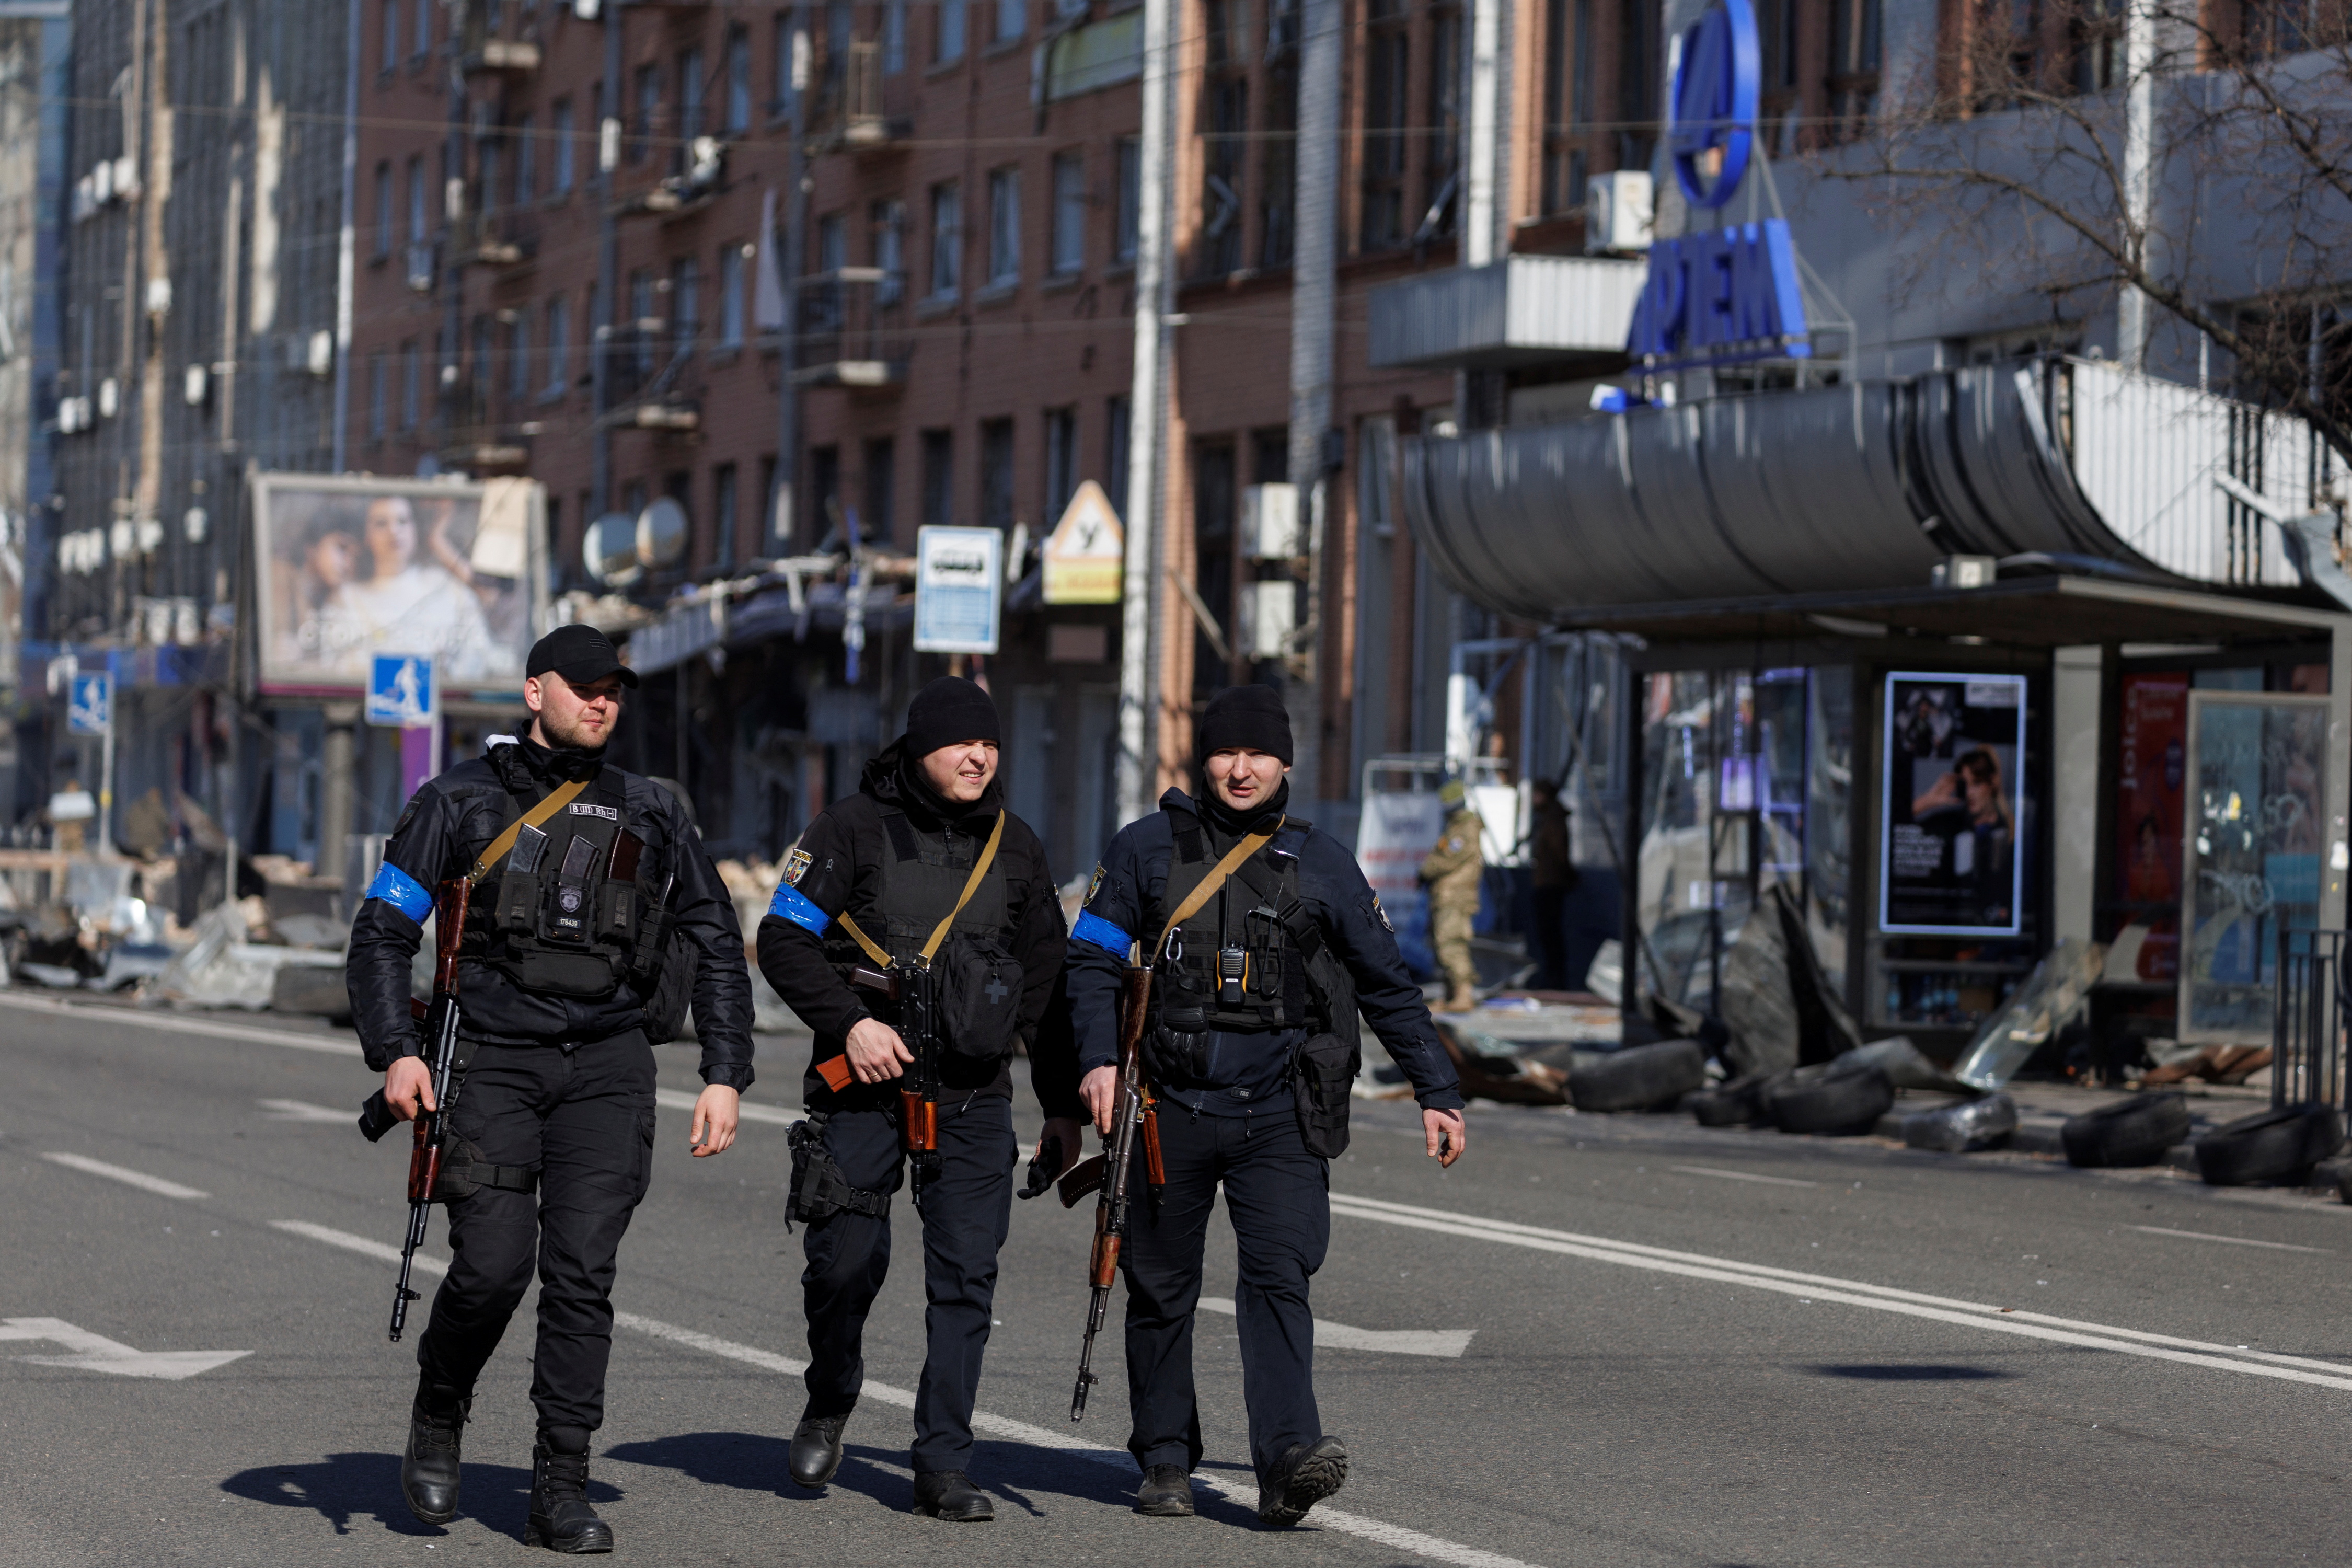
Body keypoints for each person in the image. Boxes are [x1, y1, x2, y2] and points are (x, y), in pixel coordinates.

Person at [346, 624, 755, 1553]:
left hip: (609, 1069)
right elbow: (382, 934)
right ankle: (441, 1405)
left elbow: (716, 938)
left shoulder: (654, 810)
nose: (602, 702)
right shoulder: (456, 801)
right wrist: (396, 1052)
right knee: (493, 1267)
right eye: (583, 687)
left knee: (582, 1279)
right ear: (537, 693)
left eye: (614, 688)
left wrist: (725, 1071)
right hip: (490, 1058)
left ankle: (559, 1486)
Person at [1066, 683, 1468, 1527]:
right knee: (1161, 1287)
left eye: (1258, 753)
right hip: (1166, 1108)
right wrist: (1100, 1062)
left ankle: (1288, 1458)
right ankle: (1167, 1457)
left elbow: (1386, 984)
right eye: (1225, 752)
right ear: (1202, 760)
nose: (1241, 768)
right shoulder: (1146, 850)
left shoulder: (1321, 861)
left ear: (1286, 761)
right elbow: (1093, 964)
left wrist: (1438, 1090)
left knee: (1279, 1278)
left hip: (1278, 1112)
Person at [756, 676, 1082, 1522]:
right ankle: (831, 1396)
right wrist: (850, 1026)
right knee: (845, 1264)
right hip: (864, 1090)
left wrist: (1060, 1108)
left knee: (967, 1279)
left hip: (973, 1098)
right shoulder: (852, 829)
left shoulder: (1016, 847)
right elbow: (783, 938)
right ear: (918, 750)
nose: (977, 758)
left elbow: (1046, 985)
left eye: (989, 744)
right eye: (958, 745)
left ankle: (943, 1461)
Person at [315, 494, 500, 682]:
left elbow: (479, 649)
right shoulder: (347, 598)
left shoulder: (446, 588)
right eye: (381, 524)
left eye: (403, 521)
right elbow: (334, 665)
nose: (394, 531)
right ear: (366, 536)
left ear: (415, 529)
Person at [1419, 779, 1485, 1011]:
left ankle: (1463, 994)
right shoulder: (1455, 827)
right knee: (1440, 944)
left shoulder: (1465, 829)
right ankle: (1449, 995)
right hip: (1445, 896)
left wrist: (1426, 870)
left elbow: (1448, 858)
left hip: (1456, 897)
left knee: (1452, 943)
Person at [1527, 779, 1577, 990]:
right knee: (1548, 933)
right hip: (1547, 882)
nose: (1533, 800)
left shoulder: (1553, 820)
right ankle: (1553, 977)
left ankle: (1555, 979)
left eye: (1537, 795)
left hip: (1551, 884)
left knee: (1551, 933)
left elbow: (1559, 854)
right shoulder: (1546, 818)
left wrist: (1567, 875)